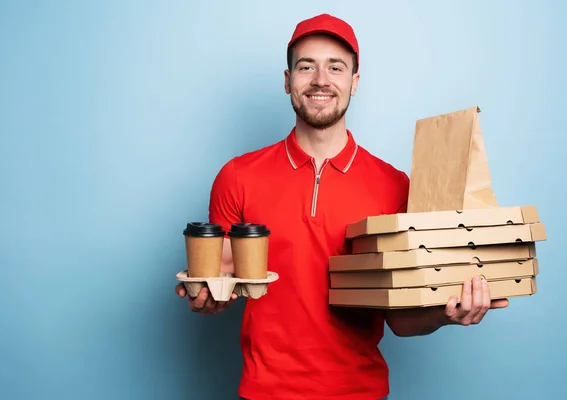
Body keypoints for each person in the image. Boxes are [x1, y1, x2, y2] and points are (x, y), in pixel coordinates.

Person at [175, 13, 509, 400]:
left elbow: (399, 319)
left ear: (354, 82)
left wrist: (446, 313)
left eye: (336, 67)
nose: (320, 80)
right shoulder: (237, 176)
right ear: (287, 81)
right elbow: (225, 277)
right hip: (265, 390)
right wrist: (208, 296)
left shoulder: (395, 186)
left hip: (359, 391)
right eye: (306, 67)